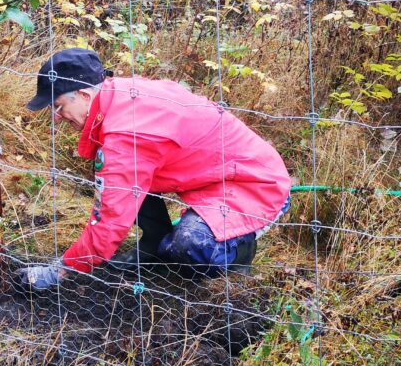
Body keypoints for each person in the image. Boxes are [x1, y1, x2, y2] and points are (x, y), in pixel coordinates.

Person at [20, 48, 291, 290]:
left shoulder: (127, 135)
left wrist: (60, 270)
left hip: (255, 188)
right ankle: (155, 242)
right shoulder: (117, 95)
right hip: (218, 176)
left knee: (190, 245)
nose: (56, 118)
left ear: (83, 94)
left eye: (58, 106)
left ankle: (237, 254)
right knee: (118, 174)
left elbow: (110, 221)